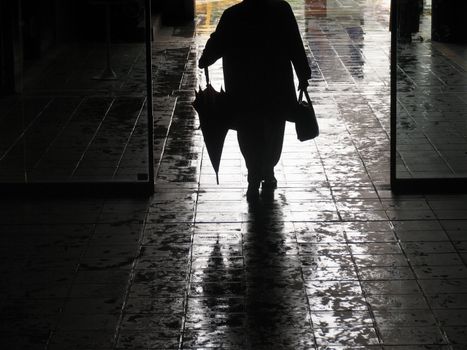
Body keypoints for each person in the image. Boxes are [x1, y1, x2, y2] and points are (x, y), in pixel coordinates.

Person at [199, 0, 311, 201]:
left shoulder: (232, 15)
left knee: (248, 133)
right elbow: (294, 42)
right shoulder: (281, 10)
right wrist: (303, 73)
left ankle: (254, 174)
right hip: (275, 87)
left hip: (243, 89)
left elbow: (217, 43)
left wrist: (205, 58)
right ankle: (267, 170)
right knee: (274, 131)